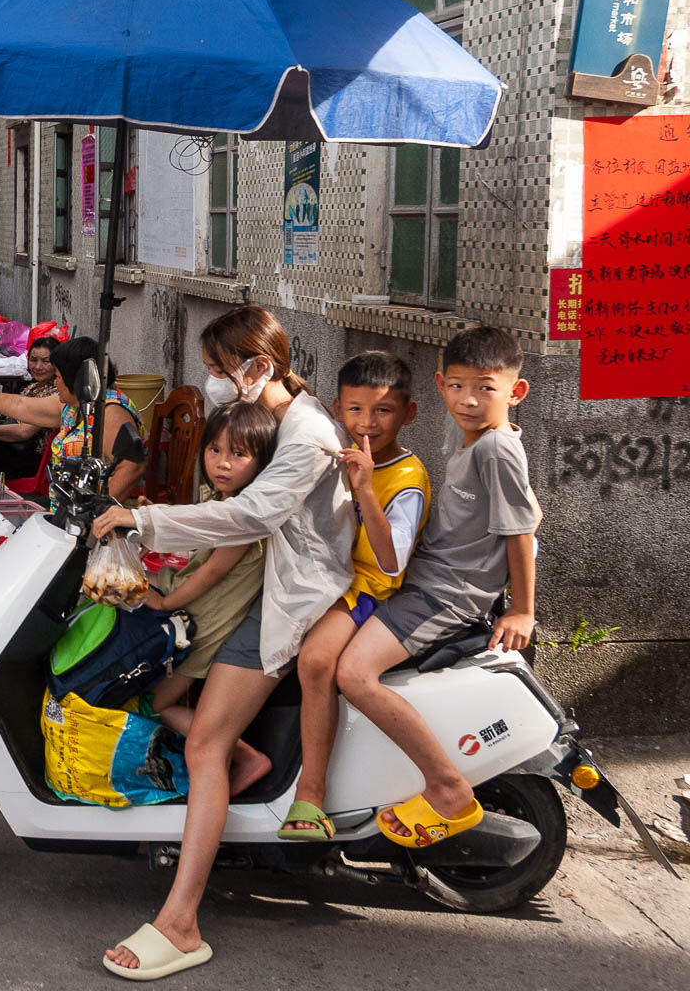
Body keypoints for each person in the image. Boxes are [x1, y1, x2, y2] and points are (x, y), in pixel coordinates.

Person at [91, 305, 354, 982]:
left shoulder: (308, 435)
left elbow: (250, 514)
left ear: (257, 367)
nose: (211, 382)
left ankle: (180, 922)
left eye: (217, 370)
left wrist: (143, 521)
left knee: (205, 738)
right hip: (266, 582)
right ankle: (240, 771)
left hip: (290, 595)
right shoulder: (288, 411)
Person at [336, 327, 539, 849]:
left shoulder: (496, 449)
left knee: (353, 674)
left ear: (515, 393)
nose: (468, 400)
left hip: (443, 595)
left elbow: (521, 532)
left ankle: (448, 788)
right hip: (425, 580)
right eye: (457, 386)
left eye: (485, 388)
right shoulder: (467, 435)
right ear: (440, 385)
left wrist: (522, 612)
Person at [278, 351, 430, 840]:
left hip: (364, 586)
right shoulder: (331, 446)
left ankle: (311, 792)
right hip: (322, 569)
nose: (368, 423)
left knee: (317, 662)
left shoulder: (408, 478)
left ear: (408, 413)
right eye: (356, 410)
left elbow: (390, 564)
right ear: (337, 409)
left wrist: (365, 489)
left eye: (383, 411)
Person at [143, 402, 275, 746]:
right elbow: (193, 532)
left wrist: (164, 602)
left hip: (203, 625)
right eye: (214, 449)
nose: (223, 462)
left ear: (263, 462)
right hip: (191, 610)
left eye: (239, 454)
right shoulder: (219, 497)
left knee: (157, 703)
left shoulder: (244, 518)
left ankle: (244, 755)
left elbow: (213, 572)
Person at [0, 337, 143, 508]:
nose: (55, 383)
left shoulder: (110, 411)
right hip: (65, 512)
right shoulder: (73, 406)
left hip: (93, 526)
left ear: (76, 378)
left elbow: (132, 467)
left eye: (58, 376)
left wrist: (95, 514)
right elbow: (20, 405)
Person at [0, 335, 60, 480]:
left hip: (31, 457)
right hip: (17, 447)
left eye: (46, 361)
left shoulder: (56, 393)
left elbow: (24, 432)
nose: (38, 367)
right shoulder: (31, 388)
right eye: (33, 360)